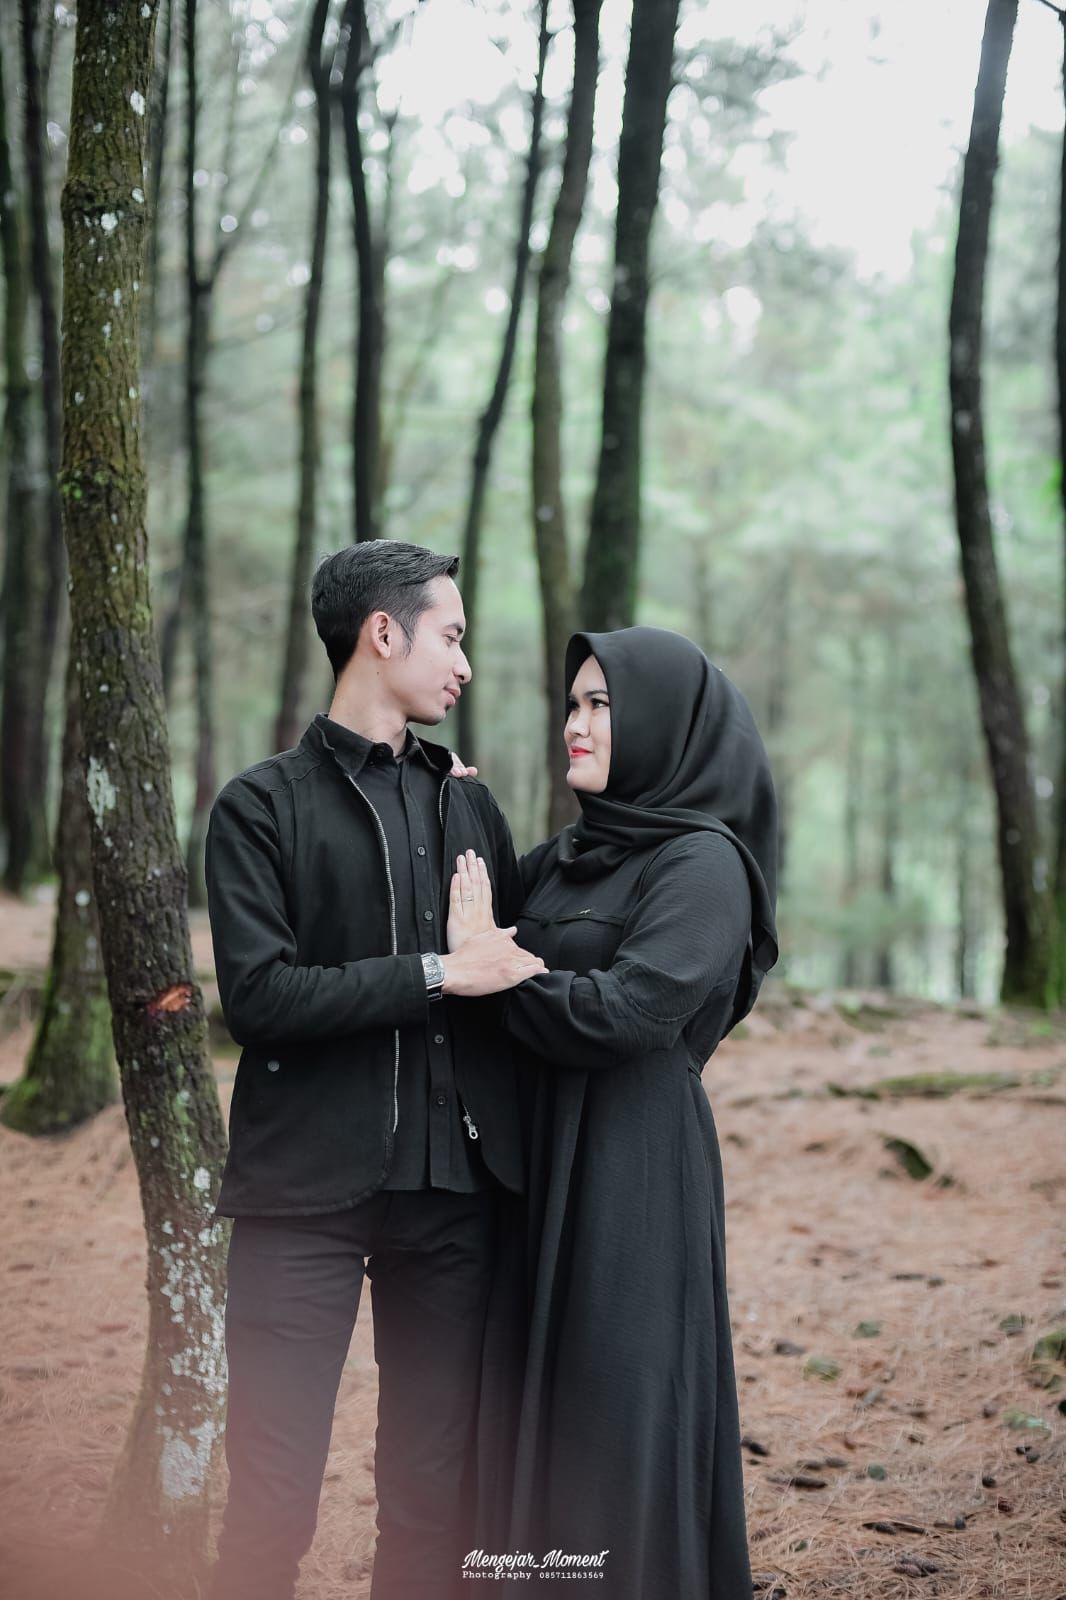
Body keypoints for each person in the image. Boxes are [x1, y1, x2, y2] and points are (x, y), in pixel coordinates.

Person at [203, 540, 545, 1600]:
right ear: (382, 634)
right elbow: (260, 998)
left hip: (451, 1197)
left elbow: (518, 962)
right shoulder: (258, 807)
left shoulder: (469, 804)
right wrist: (440, 971)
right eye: (452, 636)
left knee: (432, 1497)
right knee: (271, 1498)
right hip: (299, 1195)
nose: (466, 664)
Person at [448, 625, 779, 1600]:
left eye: (602, 705)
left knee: (609, 1416)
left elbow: (630, 1010)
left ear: (665, 725)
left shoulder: (704, 865)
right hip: (535, 1160)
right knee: (528, 1409)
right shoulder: (566, 857)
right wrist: (449, 806)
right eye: (573, 702)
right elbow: (471, 924)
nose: (576, 723)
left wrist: (505, 976)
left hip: (631, 1172)